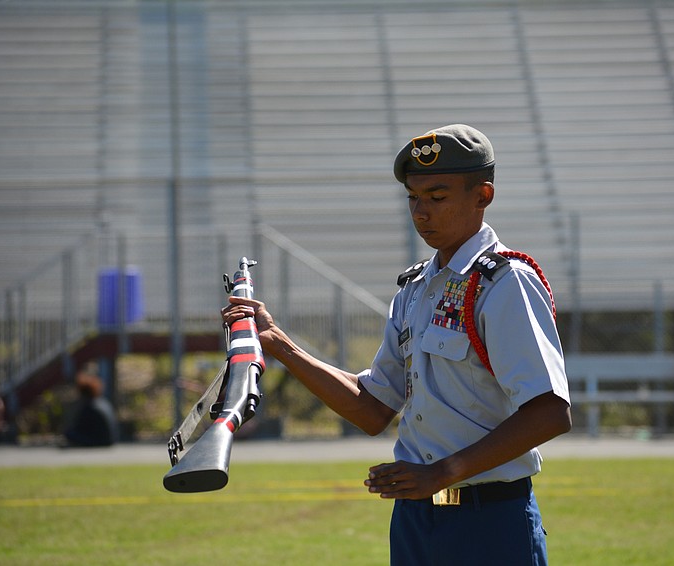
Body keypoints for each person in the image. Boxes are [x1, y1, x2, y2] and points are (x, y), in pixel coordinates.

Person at [223, 124, 572, 565]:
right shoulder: (414, 289)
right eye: (413, 197)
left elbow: (550, 412)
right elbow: (373, 408)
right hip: (415, 520)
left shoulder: (504, 284)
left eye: (438, 197)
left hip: (488, 521)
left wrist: (442, 473)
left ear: (483, 195)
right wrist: (277, 342)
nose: (421, 212)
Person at [63, 370, 119, 447]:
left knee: (69, 433)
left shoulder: (90, 407)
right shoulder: (104, 403)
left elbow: (80, 428)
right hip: (110, 440)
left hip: (99, 441)